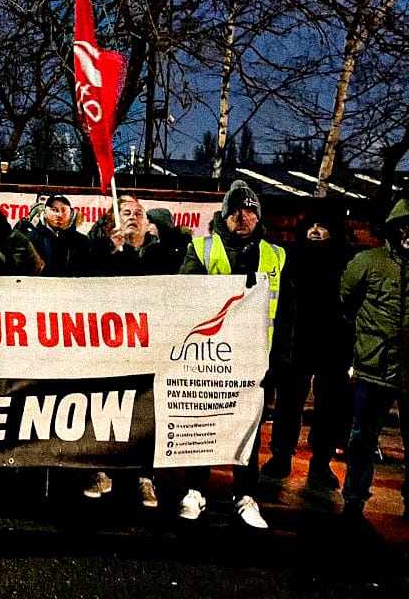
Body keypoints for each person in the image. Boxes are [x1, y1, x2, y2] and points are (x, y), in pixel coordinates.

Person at [178, 180, 288, 529]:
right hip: (207, 358)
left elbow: (285, 311)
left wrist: (279, 360)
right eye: (236, 212)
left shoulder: (276, 255)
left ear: (259, 216)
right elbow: (185, 296)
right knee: (202, 426)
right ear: (224, 216)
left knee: (249, 431)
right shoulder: (202, 248)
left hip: (254, 360)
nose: (243, 218)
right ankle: (196, 491)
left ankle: (245, 496)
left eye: (250, 211)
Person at [82, 194, 184, 508]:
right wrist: (107, 252)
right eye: (125, 211)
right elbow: (81, 284)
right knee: (106, 408)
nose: (133, 216)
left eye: (138, 212)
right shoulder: (97, 249)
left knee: (145, 412)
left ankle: (144, 477)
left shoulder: (162, 253)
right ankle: (102, 470)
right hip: (108, 346)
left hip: (149, 346)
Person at [261, 204, 353, 490]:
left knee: (330, 407)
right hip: (295, 340)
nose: (315, 231)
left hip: (334, 344)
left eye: (322, 225)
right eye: (311, 225)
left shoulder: (347, 259)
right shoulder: (291, 255)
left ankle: (321, 462)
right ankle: (281, 456)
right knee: (289, 402)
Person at [339, 199, 409, 521]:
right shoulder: (367, 262)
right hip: (373, 368)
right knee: (363, 439)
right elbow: (346, 302)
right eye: (405, 225)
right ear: (395, 228)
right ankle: (354, 498)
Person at [25, 194, 89, 276]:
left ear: (71, 213)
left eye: (63, 210)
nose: (59, 215)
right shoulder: (31, 238)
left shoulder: (81, 241)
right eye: (54, 210)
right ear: (44, 212)